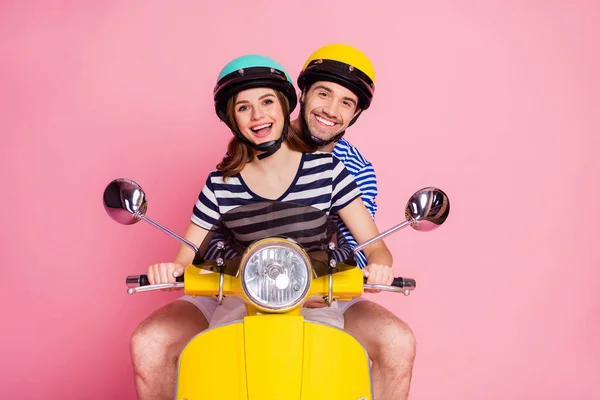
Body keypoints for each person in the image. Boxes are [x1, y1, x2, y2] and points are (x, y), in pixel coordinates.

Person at [130, 54, 395, 400]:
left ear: (286, 107)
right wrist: (170, 270)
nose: (258, 116)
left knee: (327, 380)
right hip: (242, 299)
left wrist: (380, 268)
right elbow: (186, 255)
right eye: (243, 108)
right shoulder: (220, 183)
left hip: (313, 300)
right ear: (232, 119)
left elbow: (376, 247)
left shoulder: (329, 171)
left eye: (267, 102)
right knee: (219, 380)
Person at [292, 44, 417, 400]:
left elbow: (366, 245)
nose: (331, 110)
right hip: (253, 284)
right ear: (303, 94)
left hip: (321, 289)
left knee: (397, 340)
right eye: (324, 93)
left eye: (346, 102)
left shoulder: (356, 169)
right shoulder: (261, 140)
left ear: (356, 113)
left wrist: (371, 268)